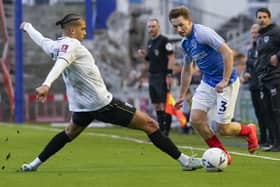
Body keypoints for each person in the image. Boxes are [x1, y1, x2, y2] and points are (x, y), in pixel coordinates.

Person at [19, 14, 201, 172]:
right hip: (102, 103)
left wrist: (27, 27)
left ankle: (33, 164)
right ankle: (184, 161)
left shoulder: (57, 45)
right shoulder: (72, 45)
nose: (85, 32)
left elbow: (42, 40)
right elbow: (61, 63)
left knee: (69, 133)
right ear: (72, 31)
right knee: (150, 125)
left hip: (81, 106)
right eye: (82, 29)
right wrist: (46, 84)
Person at [168, 6, 258, 164]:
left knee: (223, 129)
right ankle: (223, 154)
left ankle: (248, 130)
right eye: (175, 26)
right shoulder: (185, 44)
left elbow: (227, 53)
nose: (179, 29)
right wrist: (181, 95)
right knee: (195, 120)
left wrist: (224, 79)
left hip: (227, 82)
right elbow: (187, 70)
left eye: (181, 24)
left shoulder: (203, 33)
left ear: (189, 21)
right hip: (207, 82)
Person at [137, 18, 175, 136]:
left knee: (164, 103)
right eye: (149, 27)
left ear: (158, 27)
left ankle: (166, 132)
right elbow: (151, 59)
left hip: (162, 75)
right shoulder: (150, 42)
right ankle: (160, 131)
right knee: (156, 104)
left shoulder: (164, 41)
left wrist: (169, 74)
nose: (151, 29)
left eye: (153, 26)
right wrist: (145, 55)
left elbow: (171, 57)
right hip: (152, 76)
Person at [243, 23, 273, 151]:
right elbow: (248, 68)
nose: (254, 35)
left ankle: (272, 139)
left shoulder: (264, 48)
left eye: (256, 32)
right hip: (253, 85)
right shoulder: (250, 50)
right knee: (259, 114)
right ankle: (264, 139)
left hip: (263, 84)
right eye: (252, 32)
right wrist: (245, 74)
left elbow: (261, 63)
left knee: (267, 112)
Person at [255, 8, 280, 152]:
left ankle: (279, 142)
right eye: (259, 17)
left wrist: (278, 56)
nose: (262, 19)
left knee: (277, 111)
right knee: (268, 112)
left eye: (264, 17)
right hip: (263, 78)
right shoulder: (260, 36)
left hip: (275, 77)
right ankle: (274, 142)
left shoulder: (276, 31)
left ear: (269, 18)